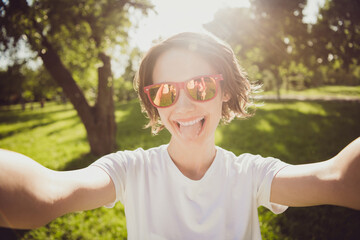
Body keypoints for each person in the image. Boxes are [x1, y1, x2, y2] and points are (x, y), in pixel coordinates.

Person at [0, 32, 359, 239]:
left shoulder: (251, 175)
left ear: (226, 91)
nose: (183, 105)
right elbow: (44, 193)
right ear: (154, 103)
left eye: (201, 86)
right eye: (165, 92)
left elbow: (337, 179)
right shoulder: (130, 170)